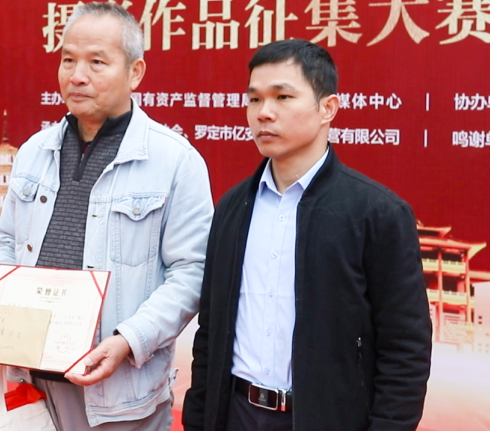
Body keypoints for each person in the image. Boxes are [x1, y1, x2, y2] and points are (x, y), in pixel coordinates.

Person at [0, 2, 214, 430]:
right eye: (68, 60)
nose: (77, 75)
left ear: (135, 72)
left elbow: (192, 271)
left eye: (97, 62)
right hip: (34, 383)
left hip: (121, 393)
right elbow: (5, 241)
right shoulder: (33, 152)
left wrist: (128, 340)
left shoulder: (175, 161)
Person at [183, 39, 432, 431]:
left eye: (282, 97)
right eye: (254, 99)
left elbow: (406, 348)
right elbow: (210, 333)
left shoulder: (377, 213)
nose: (264, 113)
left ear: (327, 108)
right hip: (236, 414)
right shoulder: (232, 208)